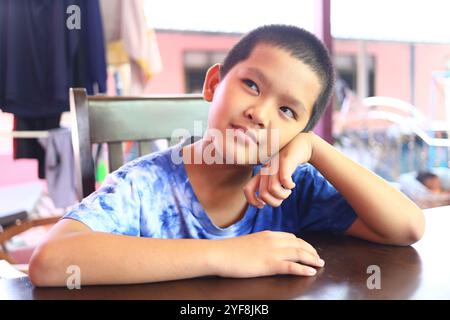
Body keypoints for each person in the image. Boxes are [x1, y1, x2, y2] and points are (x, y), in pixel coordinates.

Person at [29, 25, 425, 287]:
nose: (261, 113)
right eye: (251, 84)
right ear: (214, 83)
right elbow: (49, 262)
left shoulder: (291, 188)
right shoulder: (145, 185)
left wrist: (314, 147)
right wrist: (226, 254)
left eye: (288, 111)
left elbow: (407, 227)